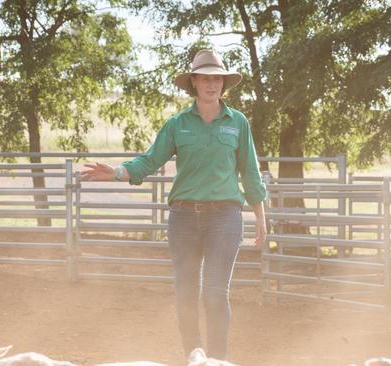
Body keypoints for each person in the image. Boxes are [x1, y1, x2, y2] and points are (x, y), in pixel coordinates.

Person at [81, 49, 267, 361]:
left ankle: (217, 359)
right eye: (205, 78)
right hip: (183, 219)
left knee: (215, 293)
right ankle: (192, 354)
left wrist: (261, 216)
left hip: (225, 216)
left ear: (224, 83)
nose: (212, 84)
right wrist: (117, 172)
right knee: (186, 292)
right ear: (193, 82)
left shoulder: (238, 123)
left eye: (217, 79)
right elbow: (150, 160)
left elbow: (250, 170)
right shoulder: (177, 124)